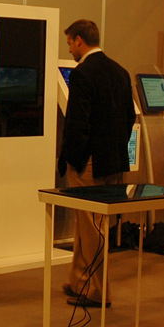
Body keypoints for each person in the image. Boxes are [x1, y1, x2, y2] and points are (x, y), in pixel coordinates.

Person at [58, 19, 135, 308]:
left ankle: (98, 292)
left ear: (79, 40)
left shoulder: (82, 73)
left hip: (88, 164)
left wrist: (74, 158)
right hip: (113, 162)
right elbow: (129, 117)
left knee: (92, 229)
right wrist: (114, 148)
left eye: (69, 43)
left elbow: (78, 122)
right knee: (88, 224)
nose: (69, 49)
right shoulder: (120, 71)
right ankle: (79, 279)